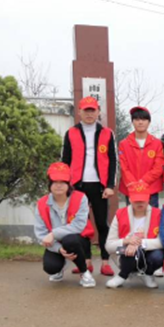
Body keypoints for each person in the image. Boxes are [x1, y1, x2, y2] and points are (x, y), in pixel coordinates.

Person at [61, 96, 117, 276]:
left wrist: (110, 185)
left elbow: (113, 161)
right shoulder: (71, 133)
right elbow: (65, 161)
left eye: (93, 110)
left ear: (98, 112)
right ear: (79, 112)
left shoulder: (107, 133)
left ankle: (105, 261)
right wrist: (66, 185)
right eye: (86, 110)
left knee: (102, 224)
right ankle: (85, 261)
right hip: (77, 185)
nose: (89, 114)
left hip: (99, 186)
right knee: (80, 225)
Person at [34, 162, 96, 288]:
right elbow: (41, 233)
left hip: (78, 239)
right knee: (51, 268)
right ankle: (60, 267)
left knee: (70, 240)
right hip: (55, 243)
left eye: (63, 182)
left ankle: (84, 272)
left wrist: (53, 233)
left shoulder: (81, 198)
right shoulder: (41, 203)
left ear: (69, 183)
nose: (58, 185)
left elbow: (78, 226)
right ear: (49, 184)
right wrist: (58, 249)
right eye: (55, 182)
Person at [105, 182, 164, 289]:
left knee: (159, 255)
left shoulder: (159, 214)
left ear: (149, 199)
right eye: (136, 200)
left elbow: (163, 241)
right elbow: (109, 246)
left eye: (143, 199)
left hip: (148, 250)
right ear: (130, 199)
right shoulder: (120, 214)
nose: (140, 203)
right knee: (126, 250)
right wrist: (126, 241)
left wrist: (139, 243)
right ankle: (123, 275)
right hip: (125, 251)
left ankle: (148, 274)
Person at [118, 106, 164, 208]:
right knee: (131, 220)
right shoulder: (124, 144)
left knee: (152, 220)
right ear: (132, 122)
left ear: (149, 122)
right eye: (137, 119)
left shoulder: (157, 143)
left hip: (151, 189)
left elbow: (158, 167)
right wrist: (134, 184)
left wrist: (143, 182)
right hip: (130, 189)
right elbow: (123, 167)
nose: (140, 122)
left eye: (144, 119)